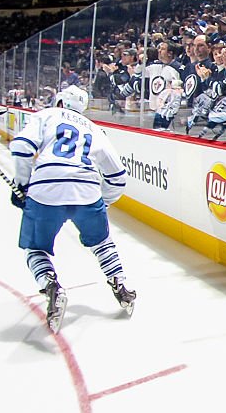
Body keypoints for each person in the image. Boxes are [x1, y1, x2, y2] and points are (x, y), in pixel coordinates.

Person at [9, 85, 135, 332]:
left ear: (59, 102)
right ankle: (120, 283)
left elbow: (22, 146)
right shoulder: (94, 129)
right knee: (102, 242)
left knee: (35, 249)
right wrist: (102, 203)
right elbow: (118, 176)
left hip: (46, 189)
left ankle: (51, 286)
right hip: (87, 189)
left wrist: (22, 184)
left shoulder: (46, 115)